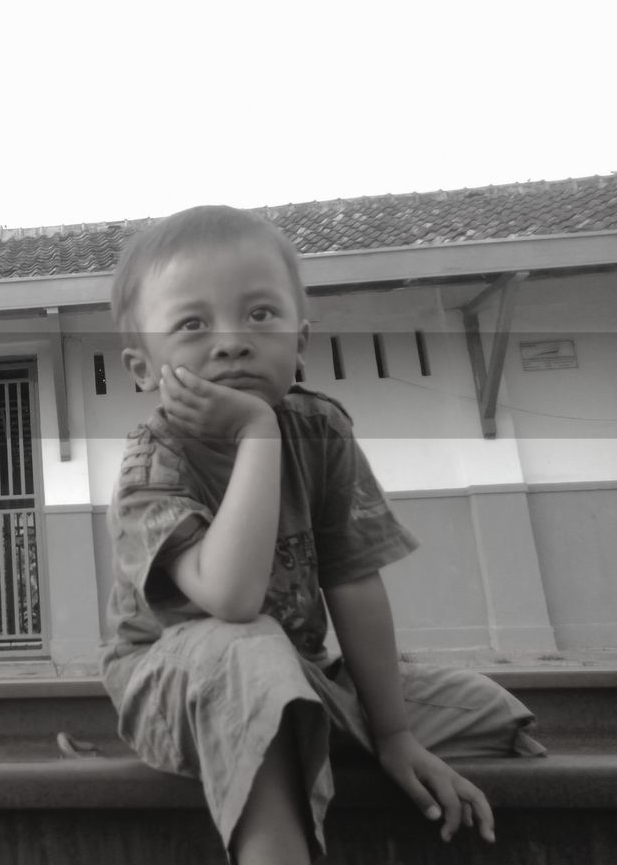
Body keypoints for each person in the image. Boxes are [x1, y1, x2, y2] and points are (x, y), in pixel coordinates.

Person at [101, 206, 544, 864]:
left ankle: (315, 733)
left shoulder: (321, 430)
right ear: (142, 368)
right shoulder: (153, 463)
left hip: (298, 672)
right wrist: (257, 432)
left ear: (301, 339)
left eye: (259, 315)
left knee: (487, 712)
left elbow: (352, 579)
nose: (232, 341)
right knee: (249, 650)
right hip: (175, 686)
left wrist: (393, 733)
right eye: (193, 324)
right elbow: (232, 599)